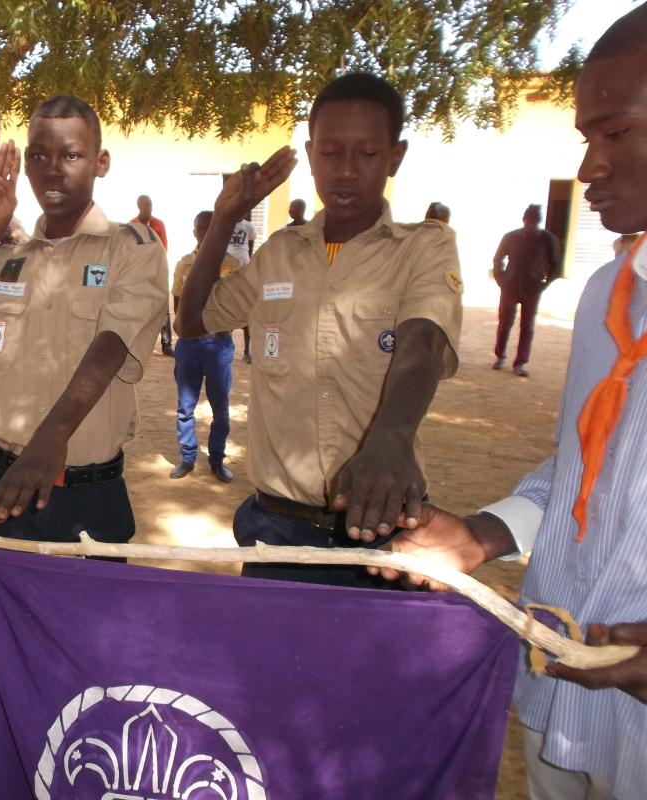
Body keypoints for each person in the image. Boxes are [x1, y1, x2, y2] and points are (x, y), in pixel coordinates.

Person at [375, 10, 647, 797]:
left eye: (617, 135)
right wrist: (478, 537)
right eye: (585, 136)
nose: (589, 167)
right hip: (563, 695)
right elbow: (584, 463)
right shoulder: (608, 294)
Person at [176, 72, 463, 588]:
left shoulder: (424, 246)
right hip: (277, 527)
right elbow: (193, 319)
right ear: (310, 155)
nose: (346, 171)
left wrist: (390, 441)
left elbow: (422, 341)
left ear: (395, 157)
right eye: (330, 153)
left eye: (367, 154)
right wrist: (224, 219)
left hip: (378, 527)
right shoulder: (279, 255)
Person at [0, 95, 168, 548]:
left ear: (101, 162)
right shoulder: (4, 258)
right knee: (1, 615)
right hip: (1, 483)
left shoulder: (133, 248)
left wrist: (50, 438)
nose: (53, 169)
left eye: (71, 154)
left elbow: (112, 342)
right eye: (38, 155)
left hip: (87, 492)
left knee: (88, 618)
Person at [169, 211, 240, 482]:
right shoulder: (184, 264)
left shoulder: (233, 264)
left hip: (219, 346)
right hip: (190, 346)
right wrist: (185, 331)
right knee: (185, 406)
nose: (204, 233)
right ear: (194, 231)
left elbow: (237, 304)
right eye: (200, 229)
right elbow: (177, 303)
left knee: (220, 408)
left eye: (209, 228)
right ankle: (187, 458)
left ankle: (217, 459)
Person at [492, 204, 561, 377]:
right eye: (528, 221)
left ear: (539, 222)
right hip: (510, 286)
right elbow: (497, 258)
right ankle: (500, 356)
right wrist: (500, 279)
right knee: (505, 322)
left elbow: (557, 264)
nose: (531, 225)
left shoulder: (547, 239)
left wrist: (545, 284)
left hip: (532, 288)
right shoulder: (510, 237)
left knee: (527, 326)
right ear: (524, 220)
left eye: (534, 222)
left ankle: (520, 362)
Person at [131, 194, 173, 356]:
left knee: (163, 307)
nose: (149, 208)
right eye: (145, 205)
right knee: (137, 306)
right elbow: (129, 251)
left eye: (150, 205)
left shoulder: (158, 224)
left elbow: (164, 248)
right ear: (139, 206)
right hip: (138, 273)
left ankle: (166, 344)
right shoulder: (131, 225)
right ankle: (136, 343)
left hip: (157, 271)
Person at [227, 213, 256, 362]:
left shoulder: (248, 226)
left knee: (247, 310)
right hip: (227, 270)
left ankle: (246, 351)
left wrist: (248, 265)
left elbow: (250, 246)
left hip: (244, 268)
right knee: (228, 308)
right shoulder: (226, 222)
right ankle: (227, 345)